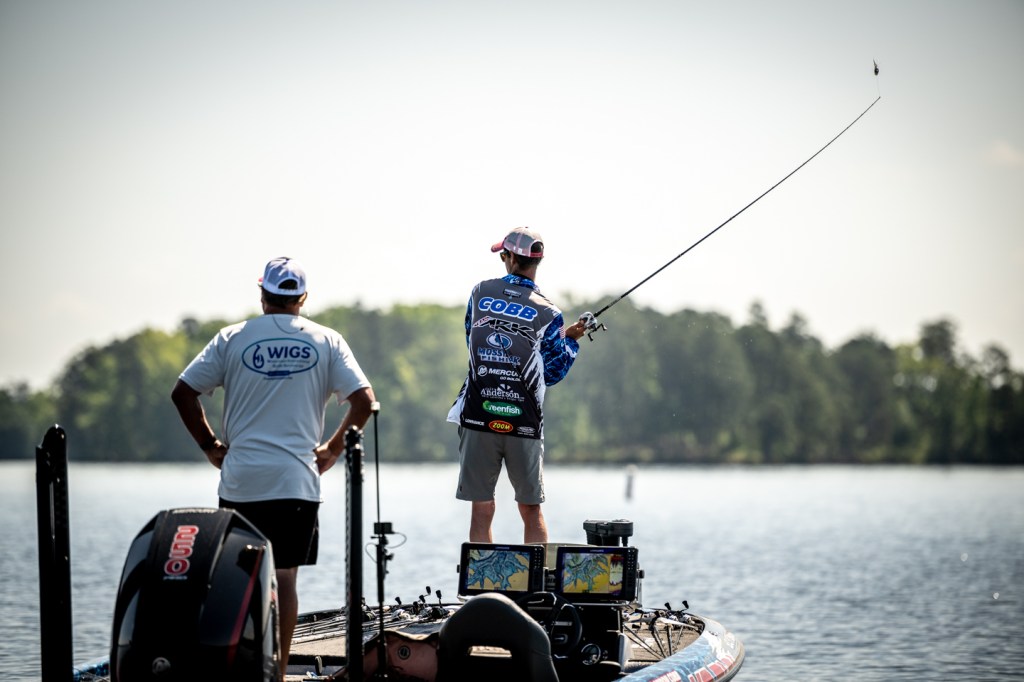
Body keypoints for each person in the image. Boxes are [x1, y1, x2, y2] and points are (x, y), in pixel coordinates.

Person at [171, 256, 375, 675]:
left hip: (241, 480)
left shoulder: (232, 337)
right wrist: (332, 450)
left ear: (263, 294)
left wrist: (210, 446)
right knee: (284, 580)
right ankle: (278, 674)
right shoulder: (327, 340)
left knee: (239, 581)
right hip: (295, 482)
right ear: (303, 297)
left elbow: (183, 393)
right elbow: (364, 401)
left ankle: (241, 669)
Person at [447, 227, 586, 544]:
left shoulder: (480, 292)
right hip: (523, 422)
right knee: (531, 509)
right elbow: (552, 372)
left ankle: (482, 575)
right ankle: (537, 576)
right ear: (538, 262)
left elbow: (471, 336)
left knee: (481, 508)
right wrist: (571, 340)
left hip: (478, 414)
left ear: (509, 258)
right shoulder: (550, 312)